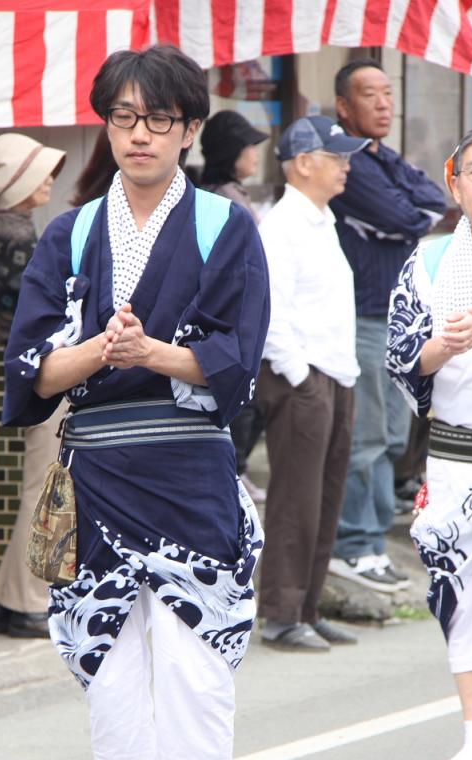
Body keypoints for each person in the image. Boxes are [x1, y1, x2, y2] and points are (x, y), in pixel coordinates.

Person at [3, 44, 270, 760]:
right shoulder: (71, 231)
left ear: (190, 129)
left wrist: (153, 352)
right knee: (111, 675)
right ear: (106, 125)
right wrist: (98, 352)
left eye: (159, 119)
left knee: (198, 677)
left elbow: (238, 360)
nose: (139, 135)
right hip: (100, 473)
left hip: (192, 471)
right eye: (123, 117)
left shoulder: (225, 228)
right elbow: (32, 366)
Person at [388, 123, 472, 760]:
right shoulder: (430, 259)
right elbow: (402, 355)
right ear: (455, 183)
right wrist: (444, 346)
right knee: (459, 593)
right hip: (455, 450)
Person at [327, 59, 447, 593]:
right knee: (369, 435)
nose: (383, 103)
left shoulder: (383, 155)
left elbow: (433, 198)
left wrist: (414, 215)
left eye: (387, 92)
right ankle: (359, 543)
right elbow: (406, 217)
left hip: (398, 315)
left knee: (394, 433)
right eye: (369, 95)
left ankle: (370, 539)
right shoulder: (344, 161)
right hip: (362, 313)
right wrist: (413, 217)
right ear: (344, 107)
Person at [256, 116, 368, 651]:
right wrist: (300, 377)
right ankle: (280, 612)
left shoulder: (321, 220)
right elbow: (269, 311)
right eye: (336, 156)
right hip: (304, 376)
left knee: (325, 495)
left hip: (334, 372)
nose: (345, 166)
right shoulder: (282, 225)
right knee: (295, 497)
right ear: (303, 163)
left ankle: (307, 605)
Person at [0, 133, 67, 639]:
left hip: (34, 370)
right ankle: (25, 601)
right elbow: (48, 306)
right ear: (16, 180)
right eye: (40, 170)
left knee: (42, 482)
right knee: (43, 486)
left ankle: (10, 601)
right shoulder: (16, 234)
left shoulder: (10, 226)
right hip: (44, 372)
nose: (50, 178)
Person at [200, 109, 268, 503]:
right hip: (230, 316)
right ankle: (235, 470)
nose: (256, 155)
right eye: (248, 146)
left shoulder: (226, 193)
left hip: (237, 313)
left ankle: (238, 469)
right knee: (241, 401)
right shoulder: (222, 198)